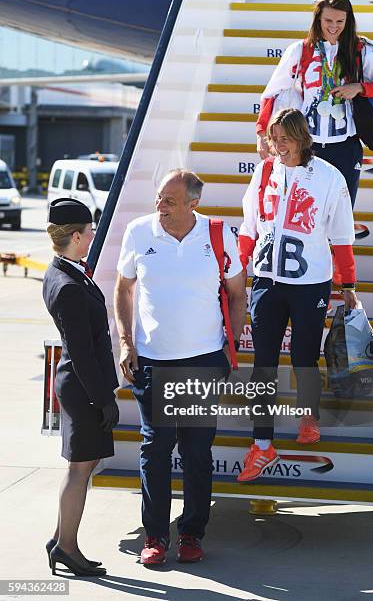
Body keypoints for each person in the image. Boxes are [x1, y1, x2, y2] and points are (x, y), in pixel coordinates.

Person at [114, 169, 246, 565]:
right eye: (158, 198)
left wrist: (228, 350)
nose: (160, 206)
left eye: (169, 201)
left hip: (204, 363)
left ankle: (191, 533)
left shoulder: (219, 235)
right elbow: (124, 288)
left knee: (197, 452)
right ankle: (155, 536)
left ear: (193, 204)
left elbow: (238, 294)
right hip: (155, 362)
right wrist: (126, 342)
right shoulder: (139, 232)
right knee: (155, 449)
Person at [237, 108, 358, 483]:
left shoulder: (329, 177)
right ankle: (261, 445)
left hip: (310, 284)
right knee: (263, 366)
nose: (277, 147)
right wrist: (240, 271)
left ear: (302, 138)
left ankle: (308, 414)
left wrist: (348, 284)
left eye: (284, 139)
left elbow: (341, 235)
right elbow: (249, 227)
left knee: (305, 355)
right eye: (273, 139)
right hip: (267, 283)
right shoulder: (264, 172)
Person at [256, 0, 373, 208]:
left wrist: (359, 87)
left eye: (340, 21)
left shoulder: (362, 50)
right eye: (328, 20)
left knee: (341, 217)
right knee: (303, 216)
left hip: (346, 147)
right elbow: (271, 93)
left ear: (348, 20)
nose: (334, 26)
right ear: (318, 18)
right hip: (305, 146)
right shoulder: (300, 51)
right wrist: (261, 134)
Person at [43, 198, 119, 576]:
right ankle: (67, 548)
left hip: (79, 385)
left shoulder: (63, 271)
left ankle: (60, 538)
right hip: (83, 387)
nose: (92, 236)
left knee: (79, 468)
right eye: (89, 232)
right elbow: (82, 352)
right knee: (80, 470)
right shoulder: (70, 285)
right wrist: (103, 399)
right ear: (75, 236)